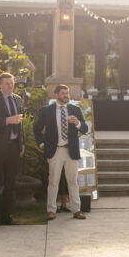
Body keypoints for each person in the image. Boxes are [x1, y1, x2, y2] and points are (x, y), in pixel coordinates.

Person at [33, 84, 90, 221]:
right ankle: (51, 210)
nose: (66, 95)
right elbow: (37, 128)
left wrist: (77, 123)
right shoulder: (47, 110)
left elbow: (85, 129)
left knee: (73, 182)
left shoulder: (75, 109)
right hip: (55, 151)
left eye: (67, 93)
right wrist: (42, 144)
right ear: (56, 95)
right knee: (53, 182)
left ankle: (77, 210)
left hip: (71, 151)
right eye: (63, 93)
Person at [0, 73, 25, 225]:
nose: (9, 85)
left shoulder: (18, 99)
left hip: (14, 147)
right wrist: (8, 120)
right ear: (0, 85)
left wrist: (22, 143)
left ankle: (7, 217)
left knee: (10, 183)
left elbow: (20, 123)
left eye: (11, 82)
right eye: (6, 83)